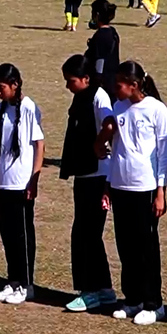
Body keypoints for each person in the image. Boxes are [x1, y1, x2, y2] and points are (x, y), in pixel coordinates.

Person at [96, 61, 167, 325]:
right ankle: (132, 299)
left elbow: (163, 154)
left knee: (146, 247)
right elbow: (115, 150)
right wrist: (108, 184)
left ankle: (154, 303)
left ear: (134, 85)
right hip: (120, 185)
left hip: (145, 186)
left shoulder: (156, 109)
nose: (114, 89)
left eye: (118, 85)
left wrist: (161, 191)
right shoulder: (118, 108)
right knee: (125, 245)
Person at [59, 55, 115, 313]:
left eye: (71, 81)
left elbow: (109, 124)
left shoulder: (98, 96)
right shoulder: (80, 96)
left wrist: (98, 145)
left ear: (86, 79)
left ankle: (89, 291)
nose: (68, 86)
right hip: (84, 174)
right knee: (87, 234)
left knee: (86, 235)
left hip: (98, 175)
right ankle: (104, 289)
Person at [0, 64, 45, 306]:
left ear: (15, 85)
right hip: (4, 182)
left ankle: (26, 284)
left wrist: (34, 178)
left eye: (1, 87)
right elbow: (1, 150)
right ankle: (13, 280)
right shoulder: (0, 109)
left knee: (22, 235)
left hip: (22, 183)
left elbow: (39, 145)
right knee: (7, 234)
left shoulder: (30, 107)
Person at [84, 0, 119, 91]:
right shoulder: (112, 32)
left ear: (97, 15)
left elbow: (101, 58)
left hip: (104, 81)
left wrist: (97, 79)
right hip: (112, 77)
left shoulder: (101, 35)